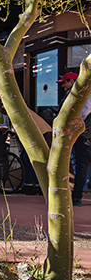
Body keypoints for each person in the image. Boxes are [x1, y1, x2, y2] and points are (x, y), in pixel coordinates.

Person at [57, 72, 91, 206]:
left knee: (80, 166)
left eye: (65, 82)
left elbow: (83, 113)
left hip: (81, 135)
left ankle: (76, 197)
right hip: (84, 135)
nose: (63, 86)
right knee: (81, 167)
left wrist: (70, 124)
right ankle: (77, 195)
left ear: (72, 82)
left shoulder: (80, 95)